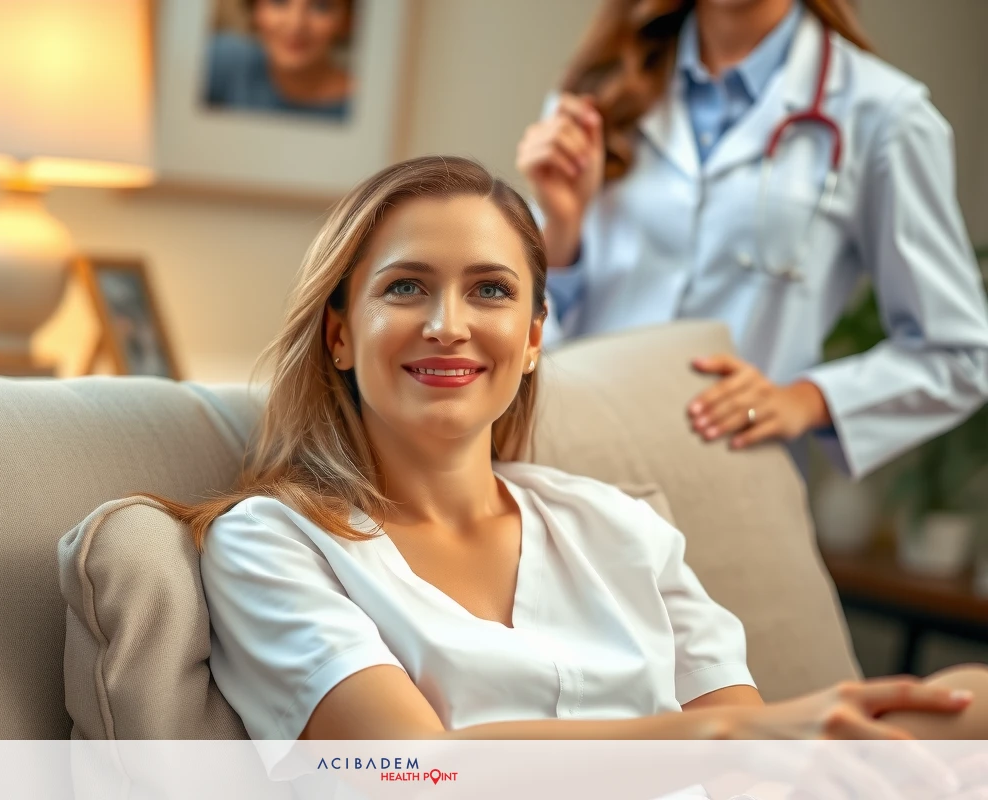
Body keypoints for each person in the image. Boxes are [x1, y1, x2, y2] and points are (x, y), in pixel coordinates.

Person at [144, 157, 986, 774]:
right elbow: (415, 770)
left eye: (491, 290)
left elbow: (755, 757)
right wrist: (731, 738)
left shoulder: (618, 526)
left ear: (536, 335)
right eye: (405, 288)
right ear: (338, 333)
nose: (448, 324)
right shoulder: (272, 542)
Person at [515, 0, 988, 479]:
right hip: (574, 458)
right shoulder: (601, 91)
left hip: (728, 477)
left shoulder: (885, 117)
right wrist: (561, 225)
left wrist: (806, 399)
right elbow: (532, 320)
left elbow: (960, 354)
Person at [205, 0, 354, 121]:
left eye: (321, 6)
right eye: (279, 2)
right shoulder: (223, 59)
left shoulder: (365, 107)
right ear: (256, 8)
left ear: (348, 19)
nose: (296, 25)